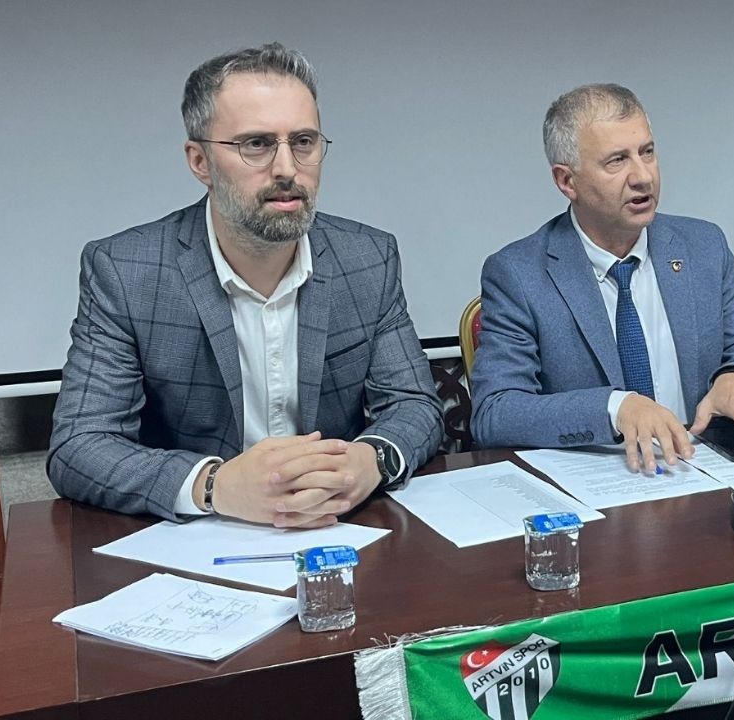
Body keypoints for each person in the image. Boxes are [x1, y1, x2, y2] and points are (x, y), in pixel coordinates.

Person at [48, 43, 443, 527]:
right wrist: (215, 484)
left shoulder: (368, 259)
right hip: (199, 542)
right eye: (256, 144)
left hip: (338, 530)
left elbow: (414, 405)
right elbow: (79, 446)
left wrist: (371, 459)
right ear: (200, 161)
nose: (287, 168)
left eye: (303, 141)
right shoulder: (127, 271)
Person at [470, 83, 734, 472]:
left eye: (647, 152)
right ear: (567, 181)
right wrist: (615, 408)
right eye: (617, 161)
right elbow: (496, 411)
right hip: (601, 482)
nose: (643, 177)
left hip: (701, 471)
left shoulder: (703, 246)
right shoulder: (519, 274)